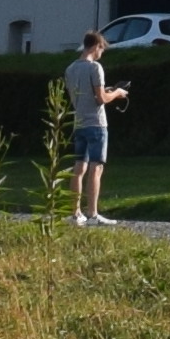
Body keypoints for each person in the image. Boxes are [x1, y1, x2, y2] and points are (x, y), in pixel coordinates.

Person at [61, 27, 120, 223]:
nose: (101, 54)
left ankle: (75, 213)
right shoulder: (95, 68)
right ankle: (93, 214)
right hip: (96, 123)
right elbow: (101, 98)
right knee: (96, 168)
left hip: (79, 122)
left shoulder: (70, 69)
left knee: (79, 168)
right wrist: (118, 93)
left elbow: (79, 96)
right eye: (101, 49)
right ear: (95, 46)